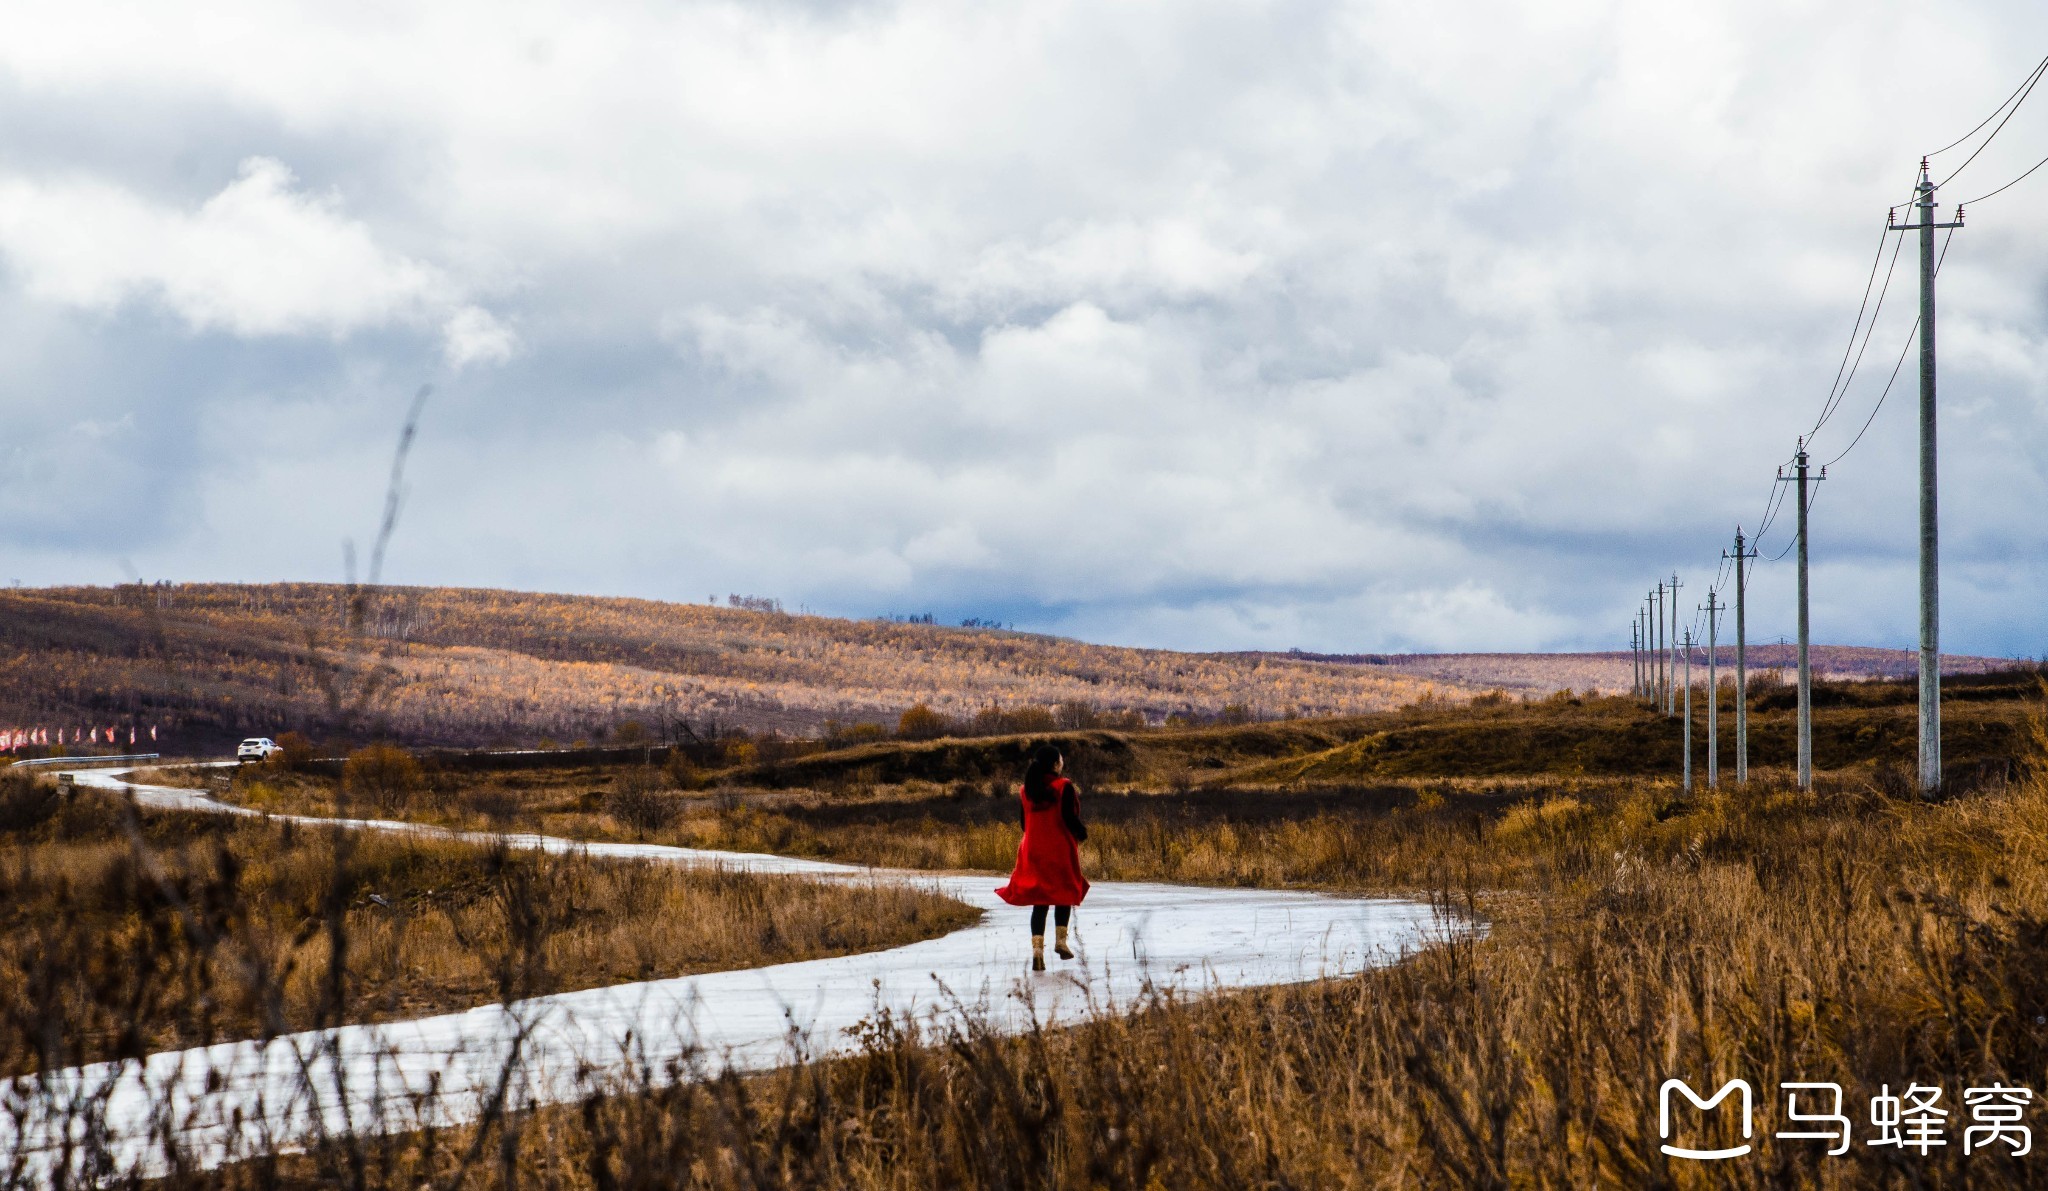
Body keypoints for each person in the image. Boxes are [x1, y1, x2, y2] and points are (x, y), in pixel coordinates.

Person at [994, 744, 1089, 971]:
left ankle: (1037, 951)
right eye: (1061, 759)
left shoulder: (1025, 791)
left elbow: (1023, 823)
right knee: (1063, 894)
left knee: (1040, 900)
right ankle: (1061, 942)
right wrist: (1082, 832)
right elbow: (1068, 817)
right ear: (1056, 764)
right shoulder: (1063, 786)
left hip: (1033, 849)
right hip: (1058, 848)